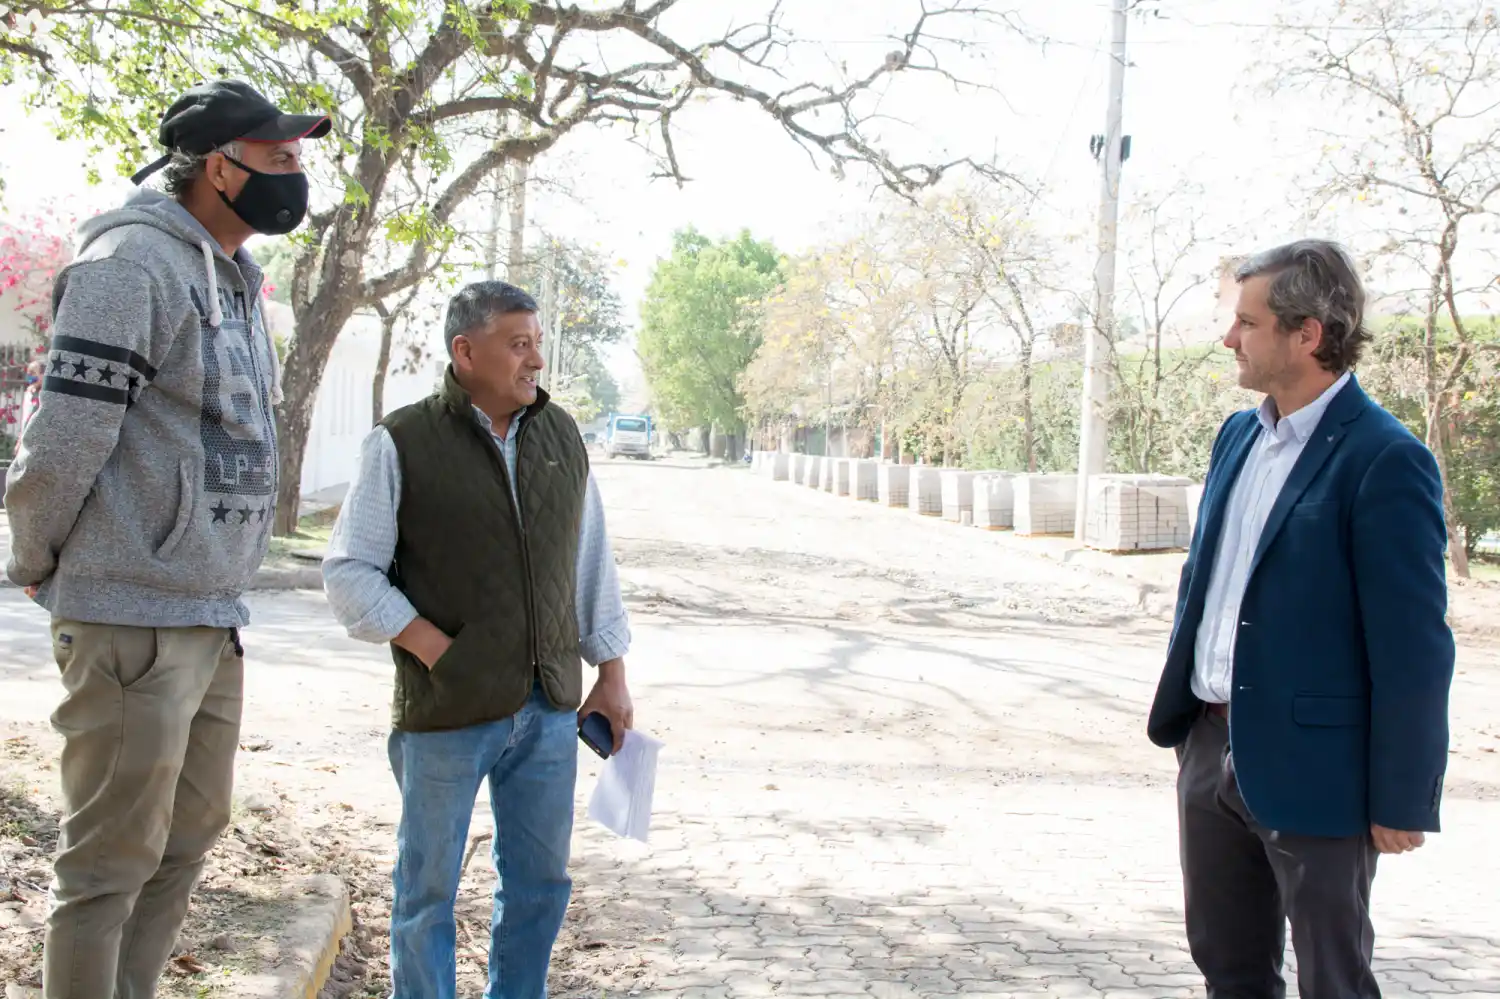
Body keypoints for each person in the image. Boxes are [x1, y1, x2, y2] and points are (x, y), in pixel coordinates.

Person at [3, 80, 330, 999]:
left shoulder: (235, 277)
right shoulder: (131, 264)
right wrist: (36, 561)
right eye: (277, 157)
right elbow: (61, 441)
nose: (294, 175)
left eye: (299, 157)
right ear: (216, 168)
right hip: (127, 611)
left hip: (208, 613)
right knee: (108, 860)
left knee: (185, 839)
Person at [1147, 239, 1455, 999]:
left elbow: (1413, 646)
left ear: (1308, 333)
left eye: (1246, 323)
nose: (1229, 339)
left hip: (1321, 770)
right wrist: (1190, 725)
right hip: (1210, 745)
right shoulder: (1237, 437)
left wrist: (1401, 795)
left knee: (1332, 978)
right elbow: (1207, 584)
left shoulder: (1385, 459)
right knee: (1229, 968)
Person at [321, 280, 634, 999]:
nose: (536, 361)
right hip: (447, 711)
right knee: (426, 890)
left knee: (540, 886)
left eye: (537, 343)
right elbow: (348, 571)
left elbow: (591, 565)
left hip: (551, 709)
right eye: (518, 344)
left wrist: (611, 672)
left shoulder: (562, 436)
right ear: (466, 351)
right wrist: (434, 647)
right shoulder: (399, 442)